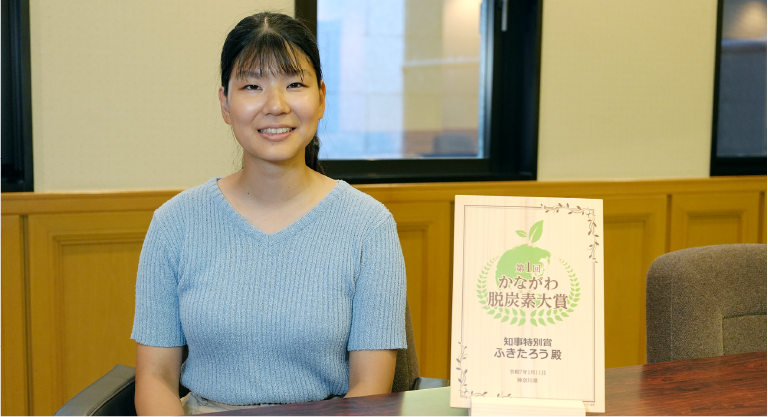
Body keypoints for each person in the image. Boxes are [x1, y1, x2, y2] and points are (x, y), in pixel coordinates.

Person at [131, 11, 406, 416]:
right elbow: (155, 378)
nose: (275, 105)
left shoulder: (369, 225)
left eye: (294, 84)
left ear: (321, 98)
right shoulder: (175, 223)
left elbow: (369, 390)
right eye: (252, 86)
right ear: (225, 103)